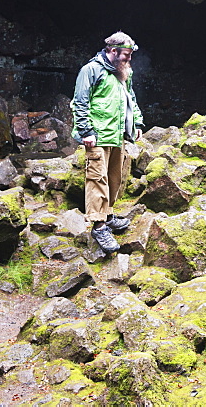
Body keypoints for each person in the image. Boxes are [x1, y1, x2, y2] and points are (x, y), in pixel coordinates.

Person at [71, 31, 144, 252]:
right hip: (97, 136)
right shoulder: (90, 70)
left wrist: (137, 123)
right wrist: (86, 131)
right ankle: (99, 226)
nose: (128, 60)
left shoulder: (124, 73)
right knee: (97, 178)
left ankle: (108, 214)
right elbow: (79, 102)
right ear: (113, 51)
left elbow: (130, 97)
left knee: (115, 178)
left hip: (117, 134)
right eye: (125, 55)